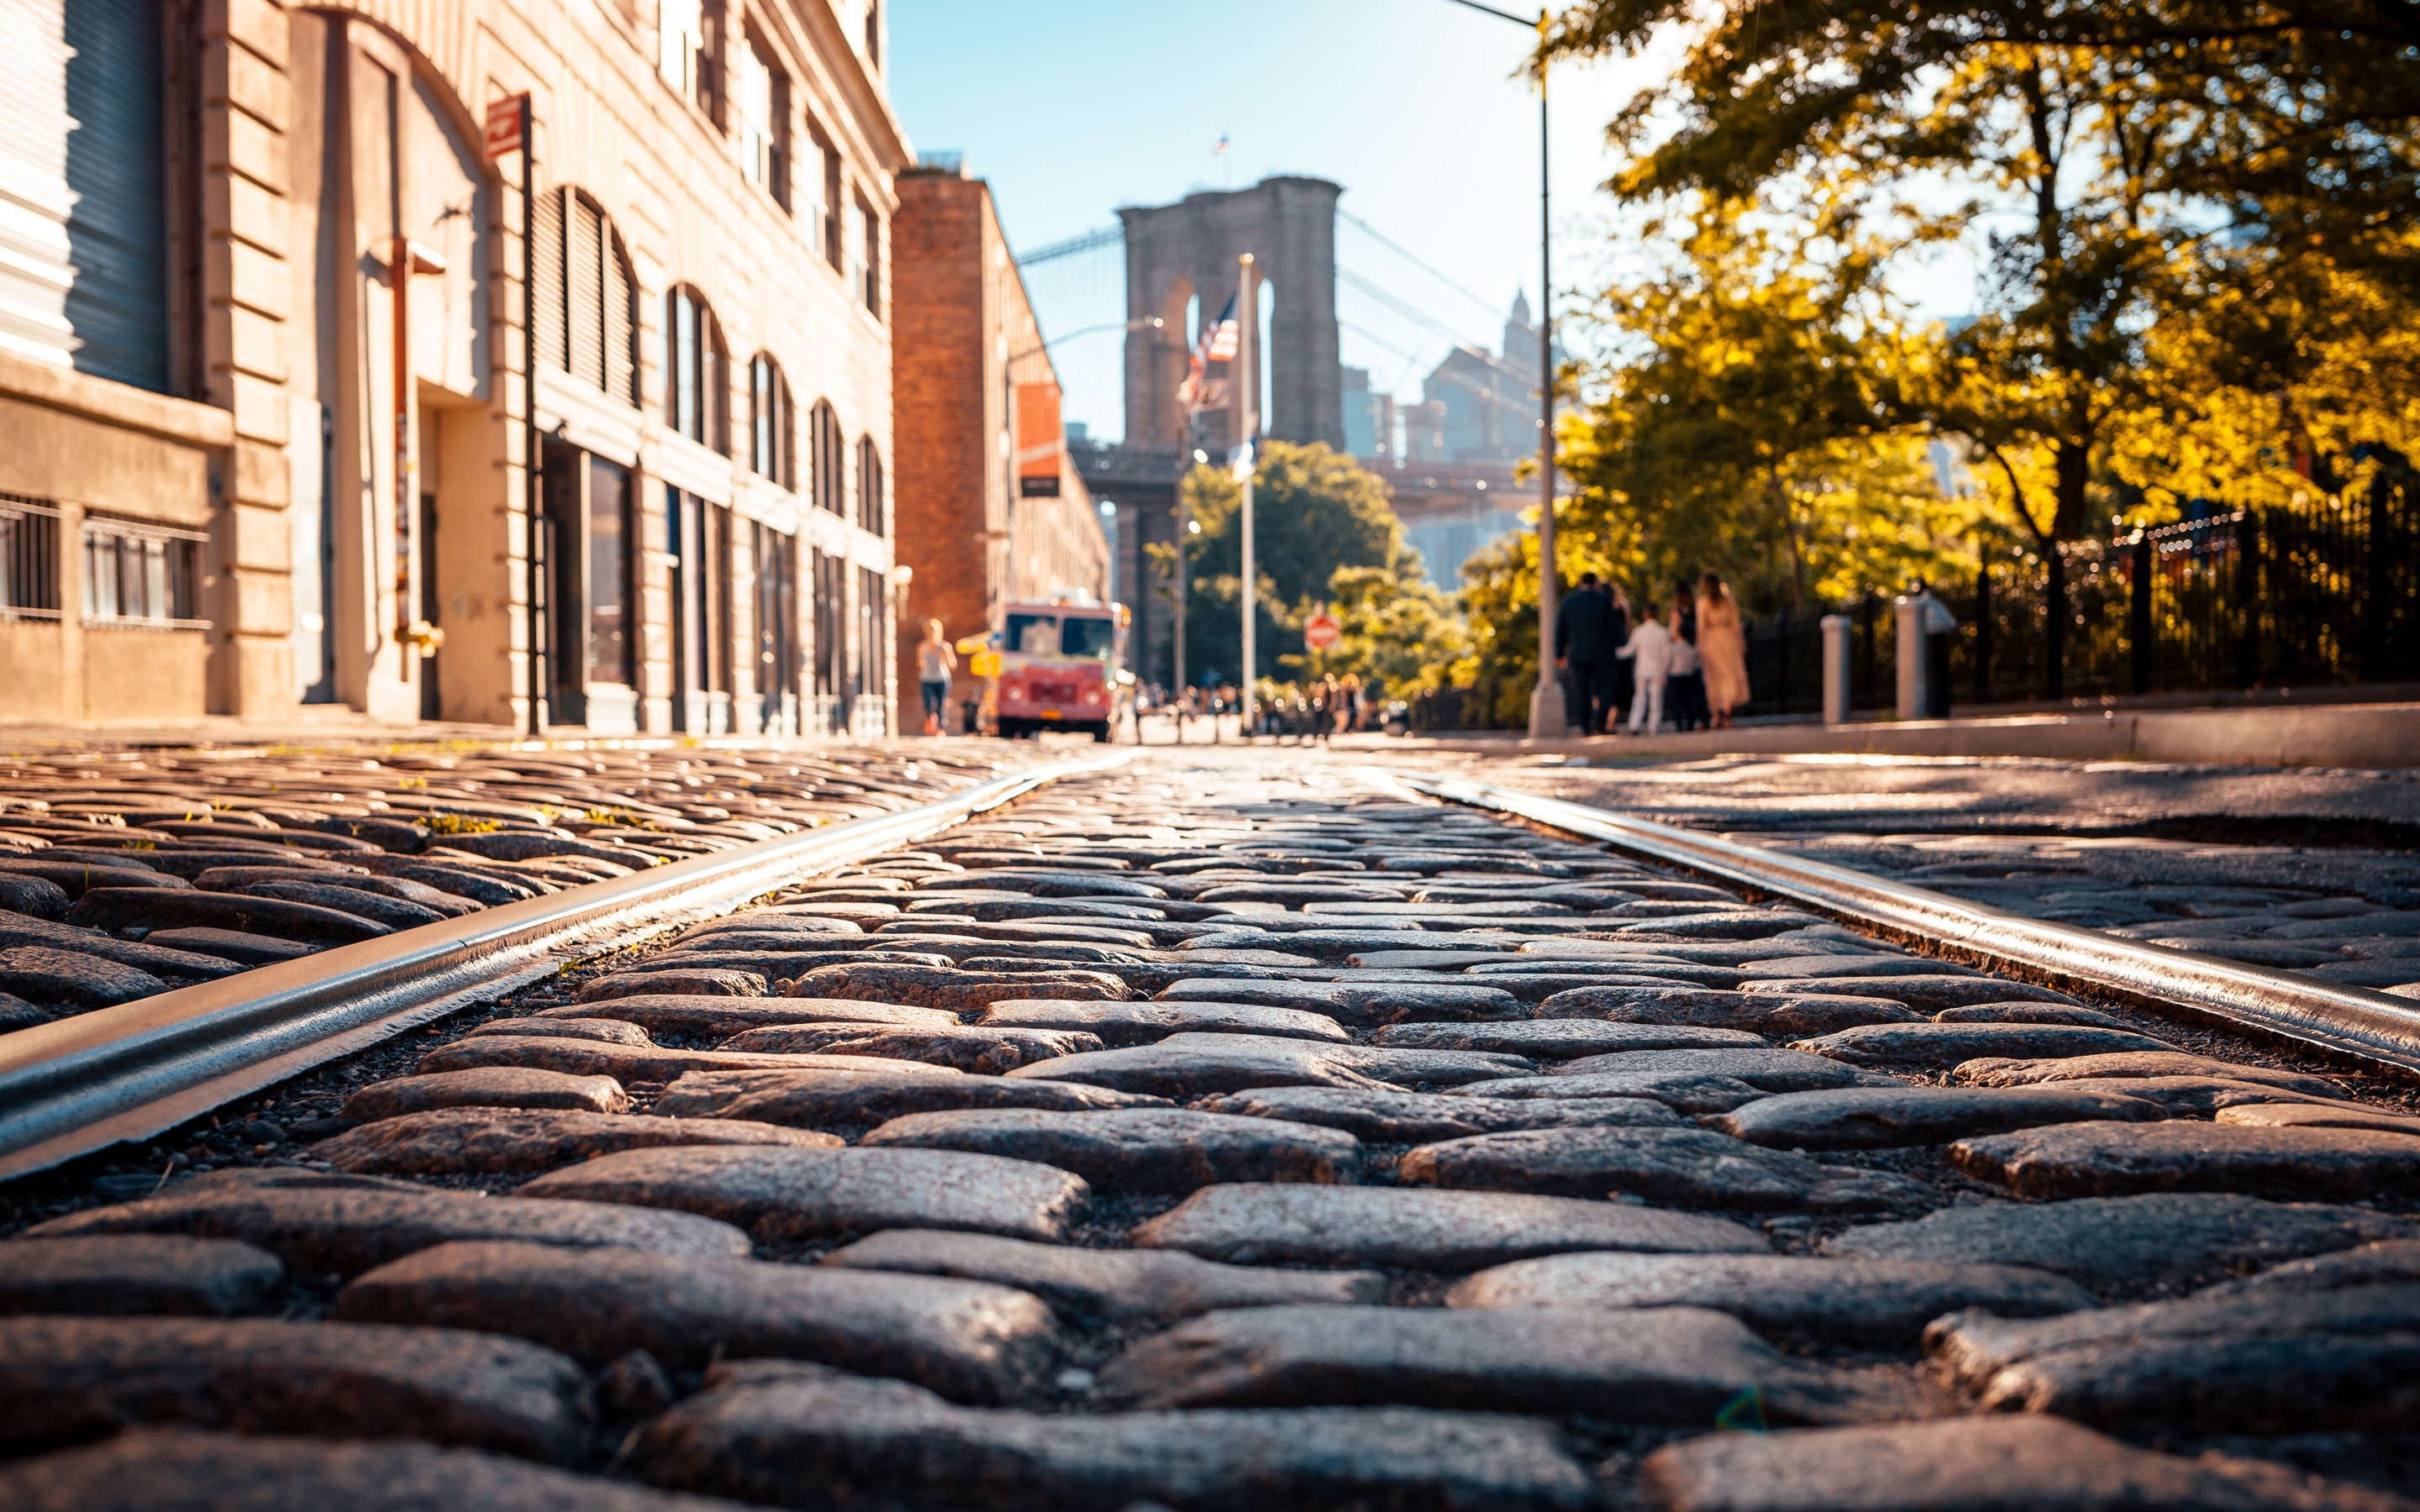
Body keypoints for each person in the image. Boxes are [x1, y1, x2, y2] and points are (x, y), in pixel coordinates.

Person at [1554, 571, 1620, 735]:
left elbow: (1560, 630)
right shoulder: (1604, 601)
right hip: (1602, 654)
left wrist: (1559, 653)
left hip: (1578, 654)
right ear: (1595, 583)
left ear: (1580, 583)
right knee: (1607, 687)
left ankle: (1585, 726)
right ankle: (1599, 718)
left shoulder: (1569, 602)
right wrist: (1620, 644)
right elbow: (1615, 627)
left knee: (1581, 690)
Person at [1697, 572, 1749, 729]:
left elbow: (1701, 628)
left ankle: (1718, 714)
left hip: (1713, 642)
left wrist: (1700, 646)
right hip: (1726, 641)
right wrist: (1740, 644)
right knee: (1726, 677)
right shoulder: (1724, 602)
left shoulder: (1705, 603)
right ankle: (1725, 713)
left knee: (1716, 679)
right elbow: (1736, 626)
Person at [1616, 601, 1675, 734]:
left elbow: (1629, 650)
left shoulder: (1639, 632)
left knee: (1639, 698)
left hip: (1641, 670)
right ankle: (1654, 726)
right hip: (1657, 670)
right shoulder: (1662, 632)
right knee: (1656, 700)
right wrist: (1664, 672)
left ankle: (1634, 724)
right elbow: (1666, 655)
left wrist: (1614, 652)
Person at [1912, 579, 1959, 718]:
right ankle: (1940, 710)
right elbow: (1951, 623)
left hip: (1926, 643)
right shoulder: (1937, 604)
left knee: (1928, 677)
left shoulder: (1916, 606)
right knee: (1940, 677)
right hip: (1939, 642)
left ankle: (1931, 709)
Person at [1666, 588, 1707, 732]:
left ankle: (1681, 724)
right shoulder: (1697, 611)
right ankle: (1698, 720)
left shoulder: (1677, 613)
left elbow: (1672, 633)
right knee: (1694, 695)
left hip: (1677, 671)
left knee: (1678, 701)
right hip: (1695, 657)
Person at [916, 619, 955, 737]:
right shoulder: (922, 646)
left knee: (941, 704)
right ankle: (930, 719)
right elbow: (919, 663)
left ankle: (940, 729)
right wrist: (921, 663)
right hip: (926, 679)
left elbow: (953, 665)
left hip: (941, 679)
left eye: (932, 630)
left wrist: (945, 656)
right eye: (928, 630)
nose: (930, 633)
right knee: (928, 703)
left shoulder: (945, 646)